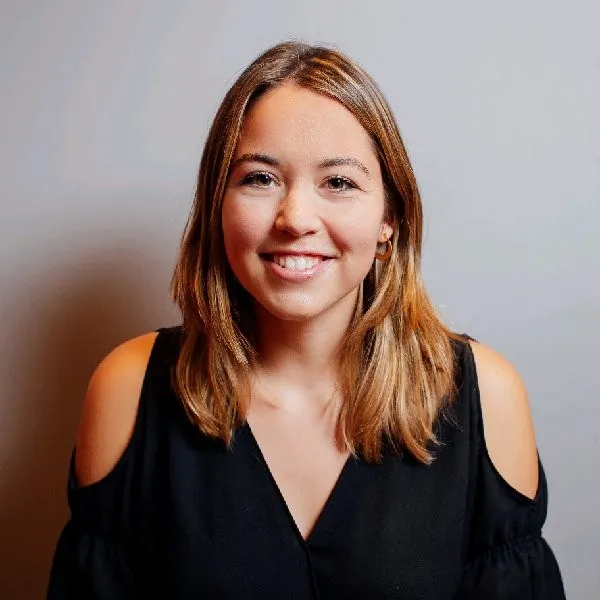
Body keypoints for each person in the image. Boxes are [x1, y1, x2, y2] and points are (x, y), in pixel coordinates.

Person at [47, 40, 566, 599]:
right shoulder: (128, 386)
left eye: (338, 182)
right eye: (259, 178)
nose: (295, 219)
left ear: (389, 219)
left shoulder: (487, 395)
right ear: (217, 205)